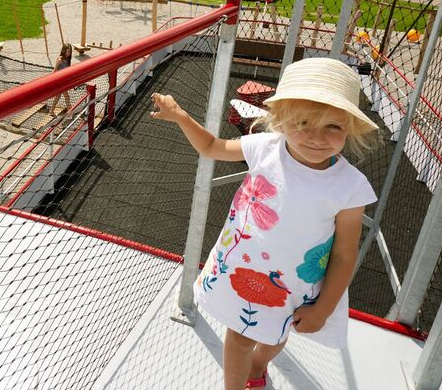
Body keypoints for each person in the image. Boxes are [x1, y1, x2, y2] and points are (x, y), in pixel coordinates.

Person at [150, 57, 379, 390]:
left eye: (333, 126)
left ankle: (258, 366)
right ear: (281, 120)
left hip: (294, 284)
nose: (317, 137)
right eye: (302, 122)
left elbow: (345, 253)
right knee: (242, 336)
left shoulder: (349, 186)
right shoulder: (265, 148)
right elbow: (212, 147)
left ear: (349, 129)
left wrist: (323, 308)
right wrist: (181, 116)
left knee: (278, 332)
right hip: (246, 268)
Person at [48, 43, 73, 115]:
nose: (68, 53)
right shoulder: (60, 60)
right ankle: (70, 110)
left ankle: (51, 111)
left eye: (69, 52)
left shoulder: (68, 60)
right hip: (59, 82)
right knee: (66, 96)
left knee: (58, 96)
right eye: (67, 51)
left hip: (63, 81)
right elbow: (54, 71)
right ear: (63, 50)